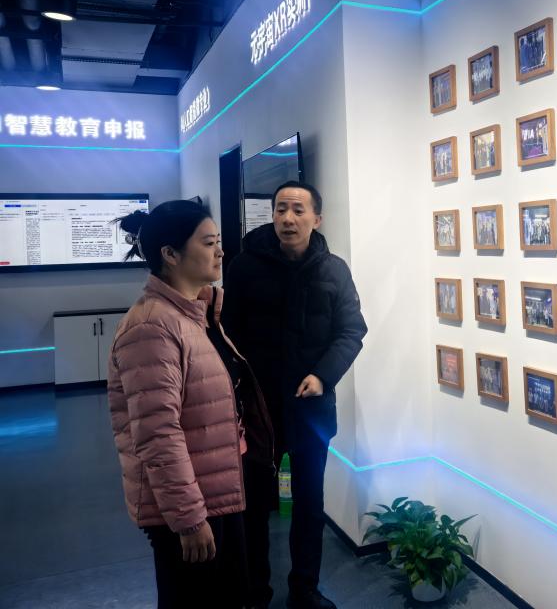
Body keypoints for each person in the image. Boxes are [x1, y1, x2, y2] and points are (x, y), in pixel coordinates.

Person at [107, 200, 274, 609]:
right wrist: (189, 519)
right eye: (209, 242)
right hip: (192, 506)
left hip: (217, 488)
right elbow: (157, 434)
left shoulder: (196, 314)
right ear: (170, 254)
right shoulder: (151, 327)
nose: (221, 251)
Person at [222, 181, 367, 609]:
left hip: (310, 408)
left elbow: (351, 330)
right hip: (258, 408)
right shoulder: (245, 266)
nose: (288, 218)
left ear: (316, 219)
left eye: (298, 210)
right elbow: (228, 333)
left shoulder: (334, 270)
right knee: (253, 504)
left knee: (308, 503)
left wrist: (323, 376)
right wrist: (240, 385)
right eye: (281, 209)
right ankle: (255, 591)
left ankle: (305, 588)